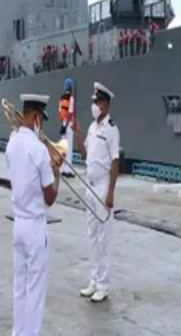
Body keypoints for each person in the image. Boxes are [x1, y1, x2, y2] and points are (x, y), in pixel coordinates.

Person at [5, 93, 61, 336]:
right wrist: (56, 172)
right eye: (42, 121)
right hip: (35, 226)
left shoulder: (11, 143)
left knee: (20, 287)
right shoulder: (39, 150)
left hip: (18, 223)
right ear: (36, 117)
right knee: (36, 290)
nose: (42, 127)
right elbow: (50, 198)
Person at [74, 82, 120, 303]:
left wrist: (111, 193)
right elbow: (85, 155)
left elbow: (115, 162)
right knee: (92, 235)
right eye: (94, 102)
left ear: (105, 104)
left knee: (104, 238)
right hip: (89, 186)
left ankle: (104, 284)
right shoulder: (93, 128)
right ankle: (94, 280)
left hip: (103, 186)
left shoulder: (112, 129)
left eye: (98, 102)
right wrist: (77, 133)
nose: (94, 106)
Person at [58, 78, 76, 178]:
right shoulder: (71, 98)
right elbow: (70, 112)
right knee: (69, 147)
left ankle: (62, 169)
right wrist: (66, 125)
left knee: (62, 147)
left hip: (63, 122)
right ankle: (68, 170)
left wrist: (62, 125)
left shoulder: (61, 98)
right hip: (69, 124)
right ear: (71, 87)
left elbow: (60, 112)